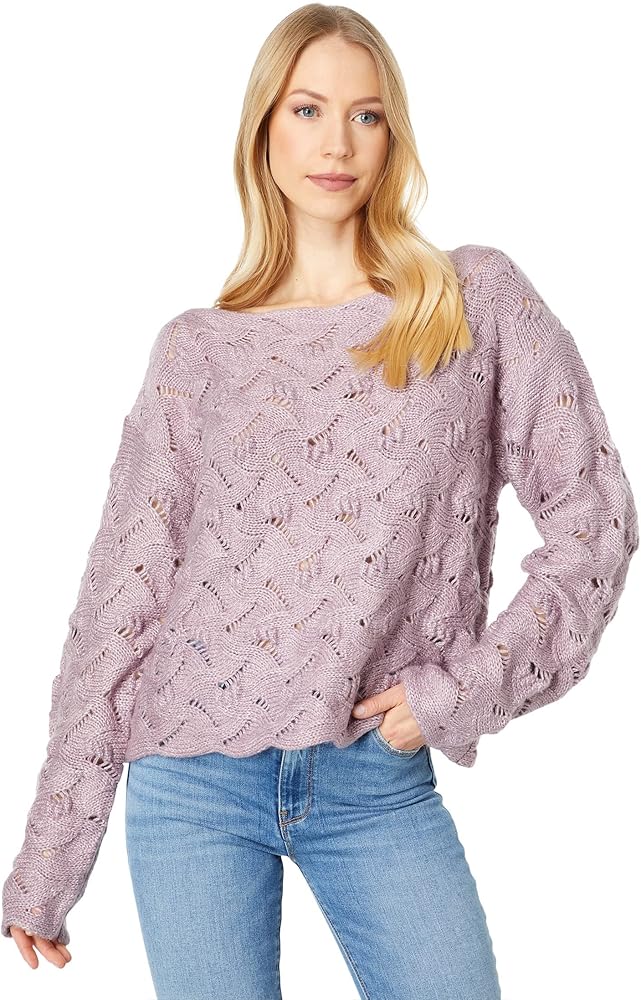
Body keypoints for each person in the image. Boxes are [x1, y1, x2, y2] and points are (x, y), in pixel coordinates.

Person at [3, 5, 638, 998]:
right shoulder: (197, 352)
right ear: (263, 128)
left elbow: (595, 518)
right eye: (306, 109)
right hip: (190, 785)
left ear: (393, 136)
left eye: (364, 114)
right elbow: (120, 606)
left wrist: (462, 690)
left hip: (372, 778)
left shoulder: (467, 300)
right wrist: (48, 861)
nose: (335, 143)